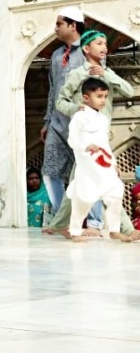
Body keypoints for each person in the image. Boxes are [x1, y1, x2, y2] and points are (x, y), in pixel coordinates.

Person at [45, 29, 138, 239]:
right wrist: (76, 108)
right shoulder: (77, 74)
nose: (104, 48)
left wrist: (106, 75)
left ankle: (59, 223)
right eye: (98, 44)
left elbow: (129, 91)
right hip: (86, 138)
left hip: (102, 136)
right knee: (107, 181)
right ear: (87, 49)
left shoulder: (108, 73)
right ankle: (124, 229)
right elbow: (61, 102)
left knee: (82, 180)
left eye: (105, 44)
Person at [66, 78, 126, 242]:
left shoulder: (103, 119)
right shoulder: (79, 117)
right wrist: (86, 146)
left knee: (116, 191)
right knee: (83, 198)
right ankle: (75, 231)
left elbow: (105, 144)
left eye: (105, 96)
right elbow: (72, 140)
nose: (103, 100)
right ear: (86, 98)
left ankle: (114, 230)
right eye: (99, 96)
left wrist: (114, 164)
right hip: (88, 166)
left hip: (104, 165)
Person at [40, 6, 85, 214]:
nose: (55, 28)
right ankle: (60, 217)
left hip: (81, 121)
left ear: (72, 25)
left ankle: (93, 221)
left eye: (59, 24)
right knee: (49, 171)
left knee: (86, 171)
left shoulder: (89, 50)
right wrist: (48, 121)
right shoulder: (57, 55)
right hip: (57, 123)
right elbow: (52, 89)